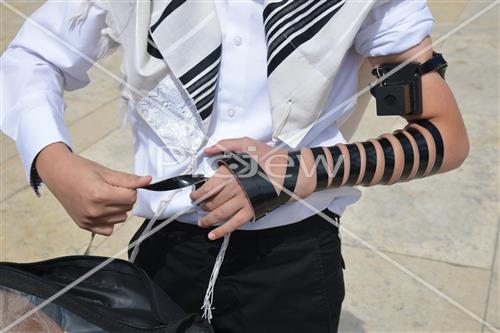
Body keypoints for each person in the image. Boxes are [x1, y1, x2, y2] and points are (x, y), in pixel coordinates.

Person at [1, 1, 469, 332]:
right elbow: (32, 56)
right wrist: (52, 159)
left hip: (291, 264)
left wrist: (303, 171)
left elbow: (442, 135)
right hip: (161, 251)